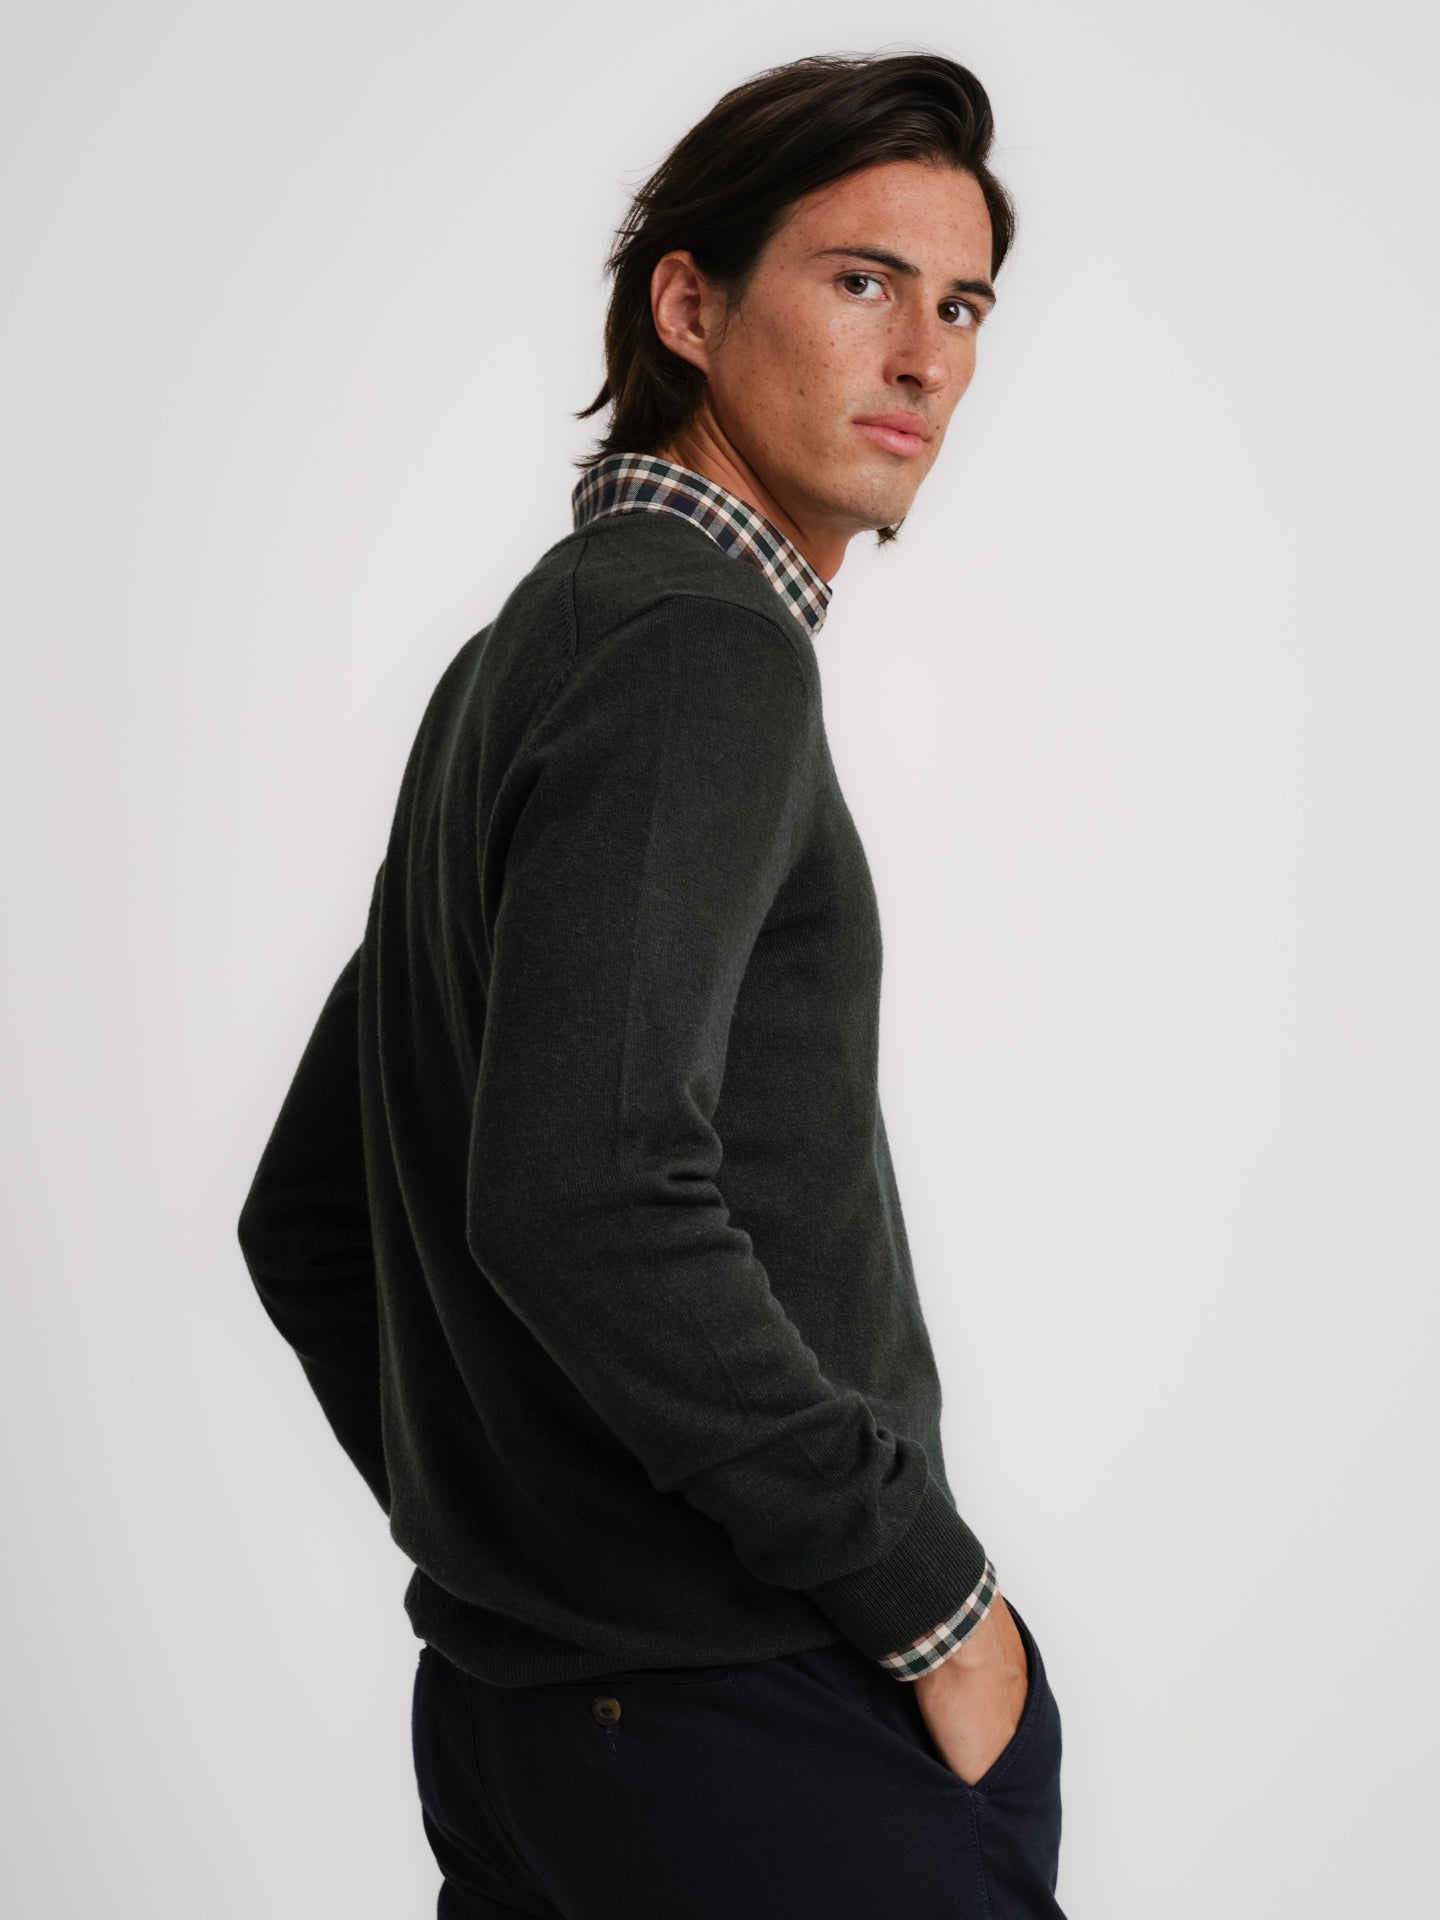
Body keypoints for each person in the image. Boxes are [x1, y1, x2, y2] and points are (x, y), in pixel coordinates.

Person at [236, 48, 1067, 1920]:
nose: (924, 359)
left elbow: (306, 1215)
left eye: (961, 307)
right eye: (860, 282)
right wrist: (930, 1602)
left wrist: (533, 1558)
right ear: (688, 308)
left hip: (530, 1738)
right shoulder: (700, 651)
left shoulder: (523, 657)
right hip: (750, 1732)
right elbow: (583, 1190)